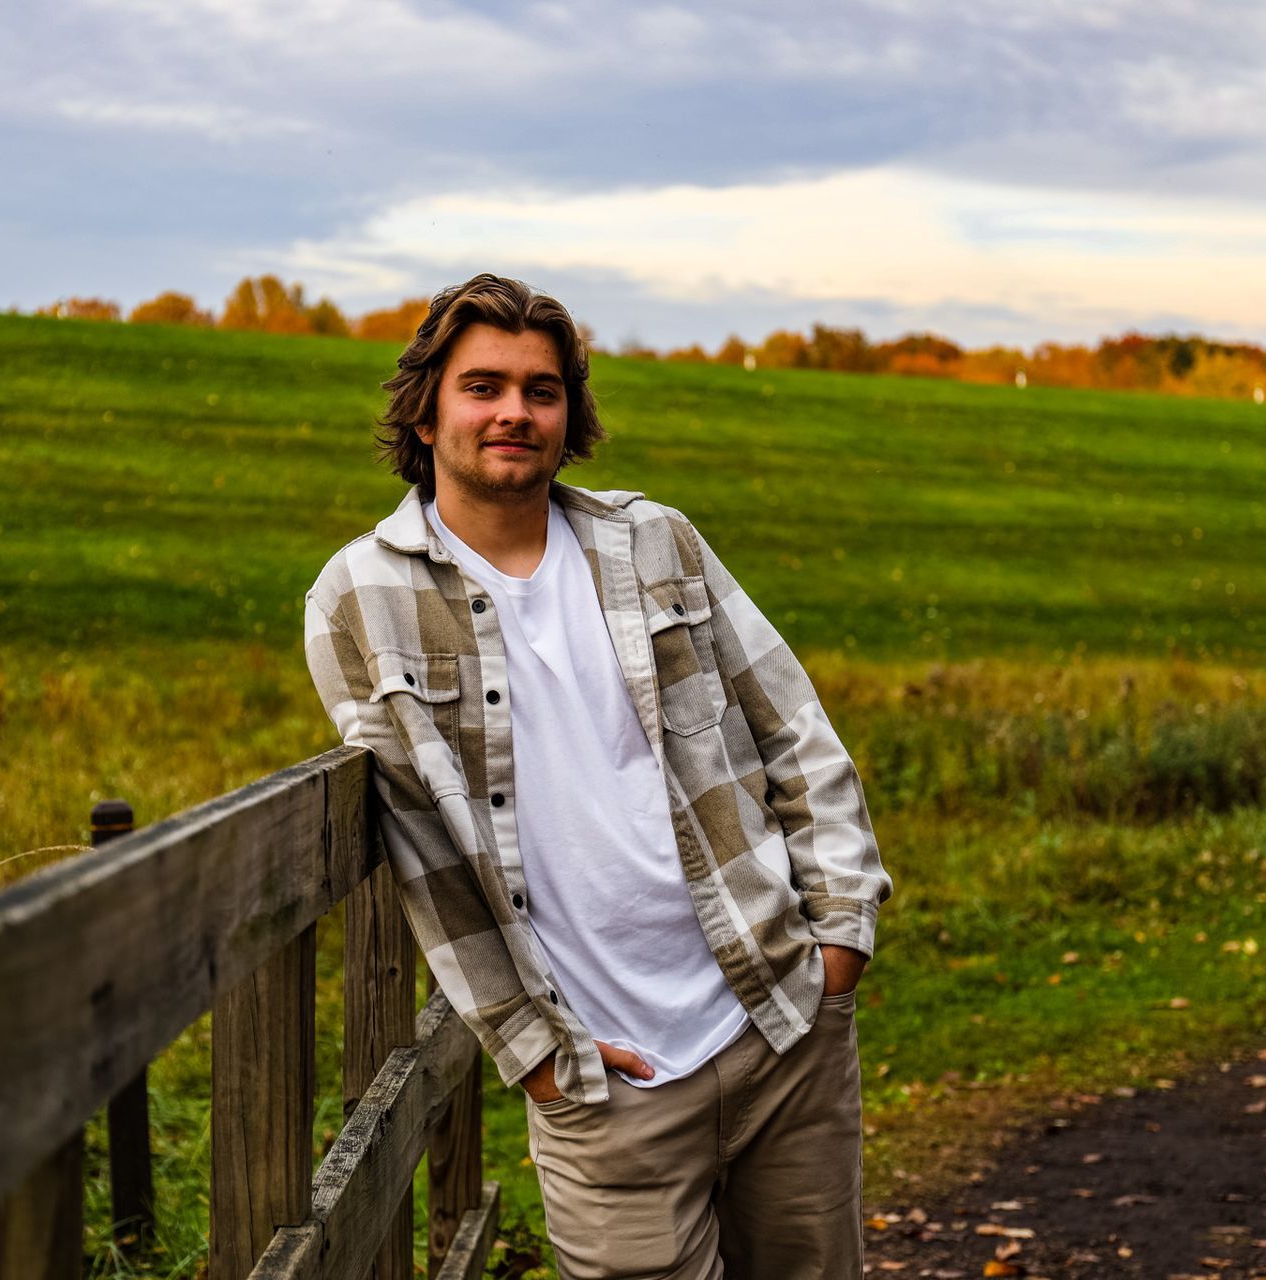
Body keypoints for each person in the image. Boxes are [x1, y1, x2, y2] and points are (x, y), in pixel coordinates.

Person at [303, 272, 891, 1279]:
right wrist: (531, 1046)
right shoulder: (361, 597)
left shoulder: (653, 541)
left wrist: (839, 933)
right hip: (604, 1081)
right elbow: (423, 849)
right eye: (483, 386)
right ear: (427, 407)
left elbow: (792, 723)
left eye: (541, 389)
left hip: (778, 1023)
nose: (514, 412)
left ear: (568, 410)